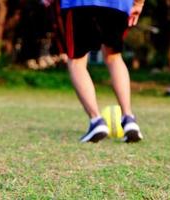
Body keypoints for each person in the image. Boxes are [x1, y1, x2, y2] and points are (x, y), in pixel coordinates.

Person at [41, 0, 145, 143]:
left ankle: (96, 121)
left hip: (80, 4)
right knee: (114, 57)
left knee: (76, 61)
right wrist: (139, 3)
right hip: (119, 5)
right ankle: (129, 119)